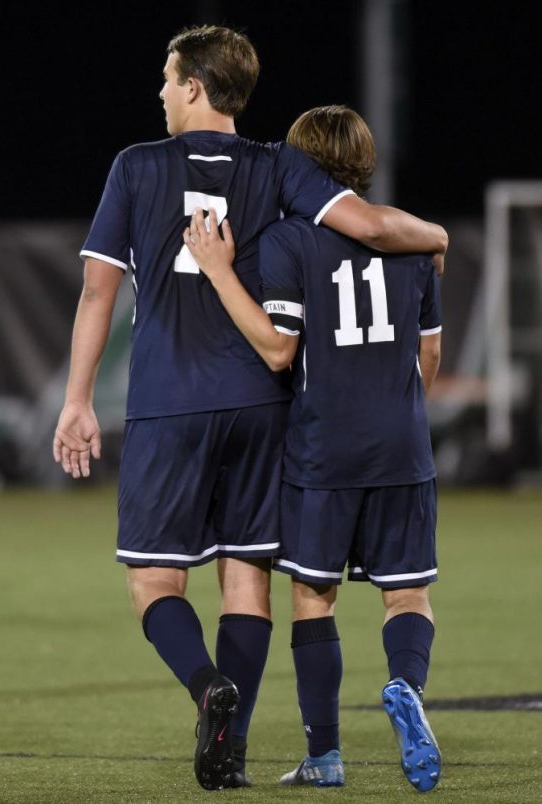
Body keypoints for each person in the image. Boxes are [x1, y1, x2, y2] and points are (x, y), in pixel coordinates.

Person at [53, 25, 447, 792]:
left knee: (154, 582)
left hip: (168, 402)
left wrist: (76, 400)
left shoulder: (135, 167)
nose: (161, 92)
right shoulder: (279, 165)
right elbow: (368, 227)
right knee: (248, 580)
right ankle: (231, 750)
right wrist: (435, 236)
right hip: (266, 406)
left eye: (168, 79)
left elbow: (98, 291)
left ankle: (209, 692)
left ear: (194, 86)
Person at [184, 104, 442, 792]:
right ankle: (407, 687)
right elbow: (431, 354)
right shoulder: (412, 239)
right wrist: (404, 410)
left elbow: (279, 348)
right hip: (401, 445)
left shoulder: (289, 240)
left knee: (313, 599)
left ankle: (325, 756)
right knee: (407, 596)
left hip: (323, 445)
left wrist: (217, 270)